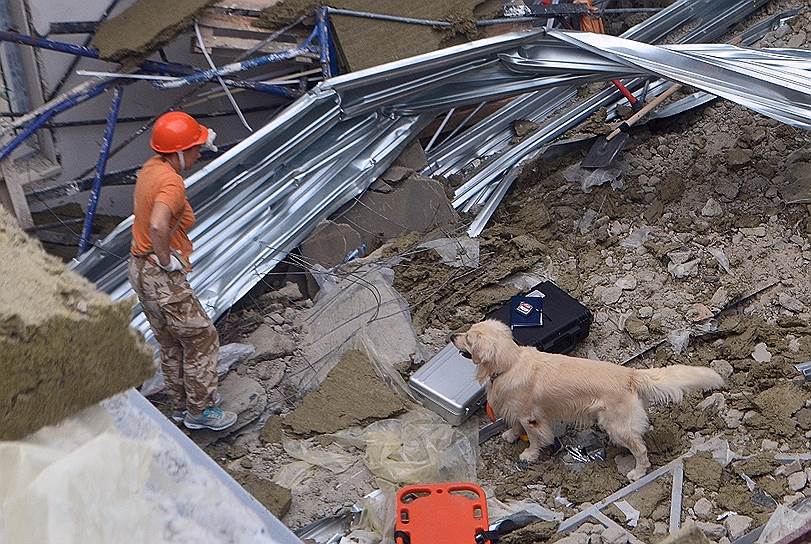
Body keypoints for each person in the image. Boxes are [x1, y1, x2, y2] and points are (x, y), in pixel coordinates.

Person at [128, 111, 237, 431]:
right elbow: (158, 224)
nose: (198, 153)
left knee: (171, 341)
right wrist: (165, 259)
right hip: (158, 274)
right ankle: (200, 410)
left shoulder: (150, 168)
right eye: (194, 148)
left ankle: (179, 407)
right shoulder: (171, 182)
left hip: (138, 268)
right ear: (178, 152)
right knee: (202, 336)